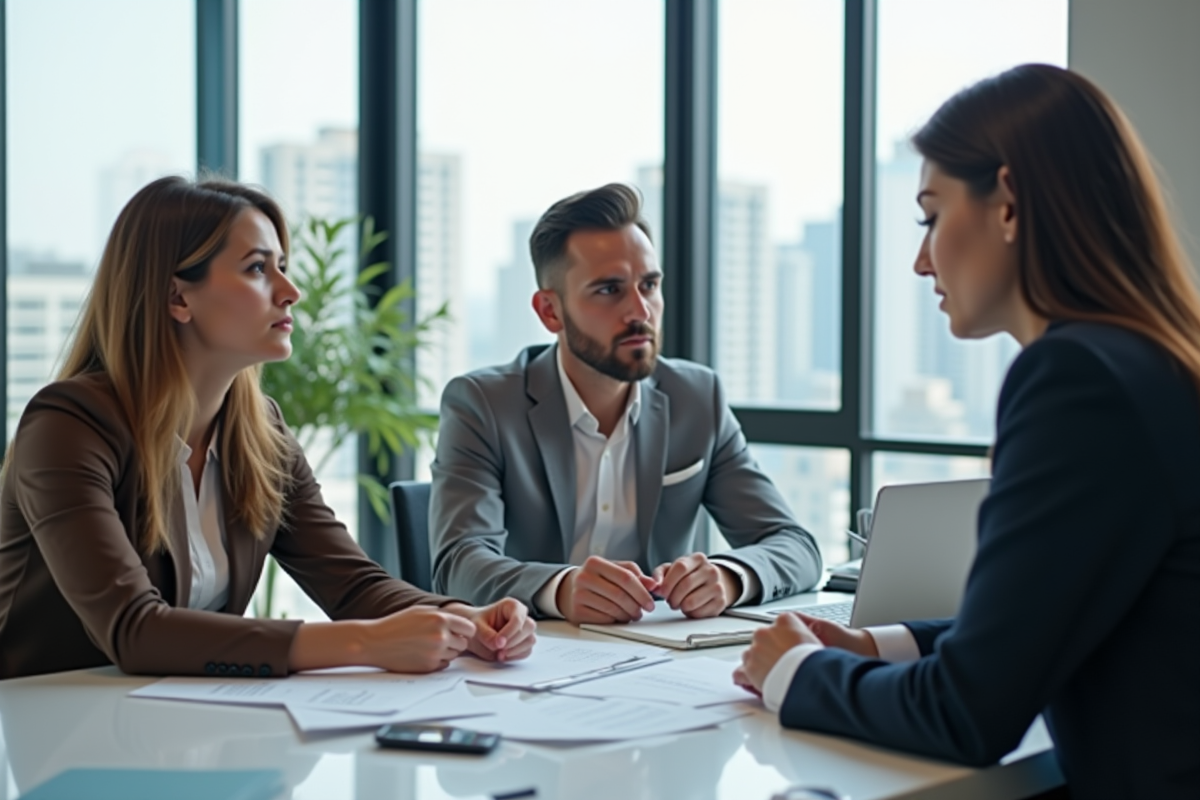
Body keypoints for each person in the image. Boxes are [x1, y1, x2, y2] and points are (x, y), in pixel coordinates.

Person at [734, 64, 1200, 799]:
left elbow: (966, 712)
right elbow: (1047, 617)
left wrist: (792, 671)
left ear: (1007, 202)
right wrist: (875, 645)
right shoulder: (1154, 363)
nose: (921, 261)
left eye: (930, 215)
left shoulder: (1076, 382)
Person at [0, 176, 536, 681]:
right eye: (258, 268)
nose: (291, 291)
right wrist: (361, 644)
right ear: (177, 298)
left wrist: (468, 618)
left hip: (175, 723)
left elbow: (353, 585)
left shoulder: (260, 433)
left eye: (282, 266)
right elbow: (133, 630)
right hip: (45, 734)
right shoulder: (69, 425)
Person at [431, 183, 822, 623]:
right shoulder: (483, 404)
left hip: (664, 658)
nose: (640, 311)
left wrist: (731, 576)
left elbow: (795, 545)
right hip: (528, 660)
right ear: (550, 312)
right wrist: (560, 589)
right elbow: (458, 564)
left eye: (649, 284)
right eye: (608, 290)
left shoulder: (697, 398)